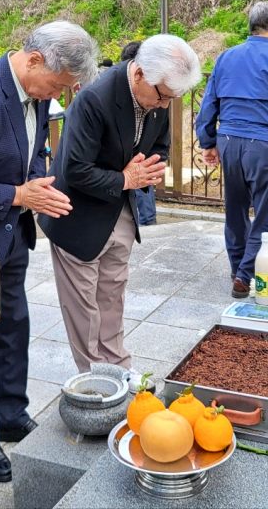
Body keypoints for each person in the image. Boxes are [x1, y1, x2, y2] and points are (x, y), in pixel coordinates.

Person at [0, 21, 99, 483]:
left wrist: (37, 181)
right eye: (57, 86)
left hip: (14, 235)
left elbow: (34, 149)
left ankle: (11, 413)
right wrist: (20, 195)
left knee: (14, 327)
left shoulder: (36, 92)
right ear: (34, 60)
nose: (56, 95)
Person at [39, 34, 201, 373]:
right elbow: (76, 170)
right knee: (83, 306)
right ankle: (95, 382)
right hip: (77, 217)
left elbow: (161, 147)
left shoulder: (158, 95)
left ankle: (118, 366)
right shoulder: (96, 98)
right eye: (163, 96)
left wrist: (147, 169)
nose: (164, 106)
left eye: (173, 98)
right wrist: (127, 179)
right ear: (139, 74)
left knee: (112, 294)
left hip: (119, 212)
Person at [194, 1, 268, 299]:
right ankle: (246, 276)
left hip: (229, 142)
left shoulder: (225, 58)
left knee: (234, 210)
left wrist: (208, 143)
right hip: (266, 146)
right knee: (266, 215)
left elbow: (208, 105)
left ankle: (238, 269)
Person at [118, 41, 158, 227]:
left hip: (142, 167)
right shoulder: (108, 95)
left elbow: (161, 141)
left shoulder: (156, 96)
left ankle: (147, 220)